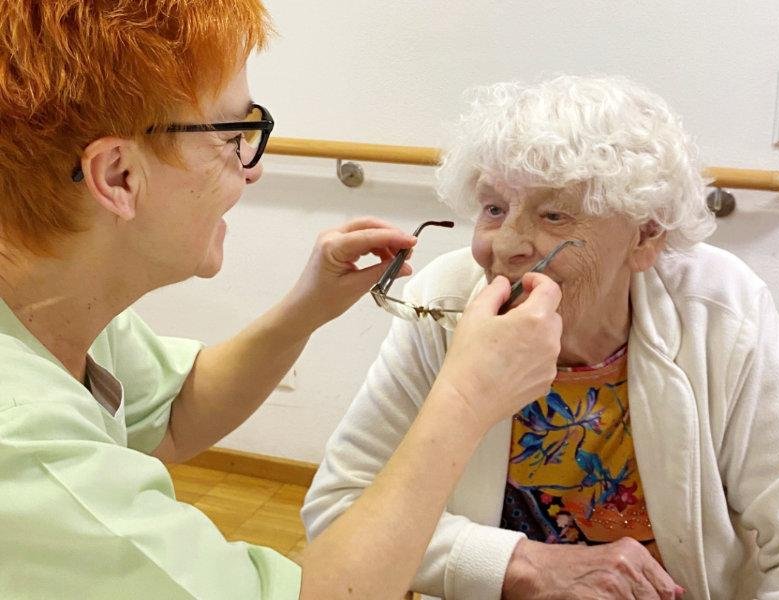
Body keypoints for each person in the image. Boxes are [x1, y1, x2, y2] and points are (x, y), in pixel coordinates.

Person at [0, 3, 565, 599]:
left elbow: (171, 415)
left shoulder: (53, 301)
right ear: (117, 176)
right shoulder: (24, 447)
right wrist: (468, 396)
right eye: (232, 136)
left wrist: (309, 306)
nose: (254, 169)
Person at [303, 76, 779, 600]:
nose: (508, 245)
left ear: (645, 236)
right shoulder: (446, 301)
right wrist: (524, 565)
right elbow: (340, 512)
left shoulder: (721, 308)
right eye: (494, 209)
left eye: (553, 214)